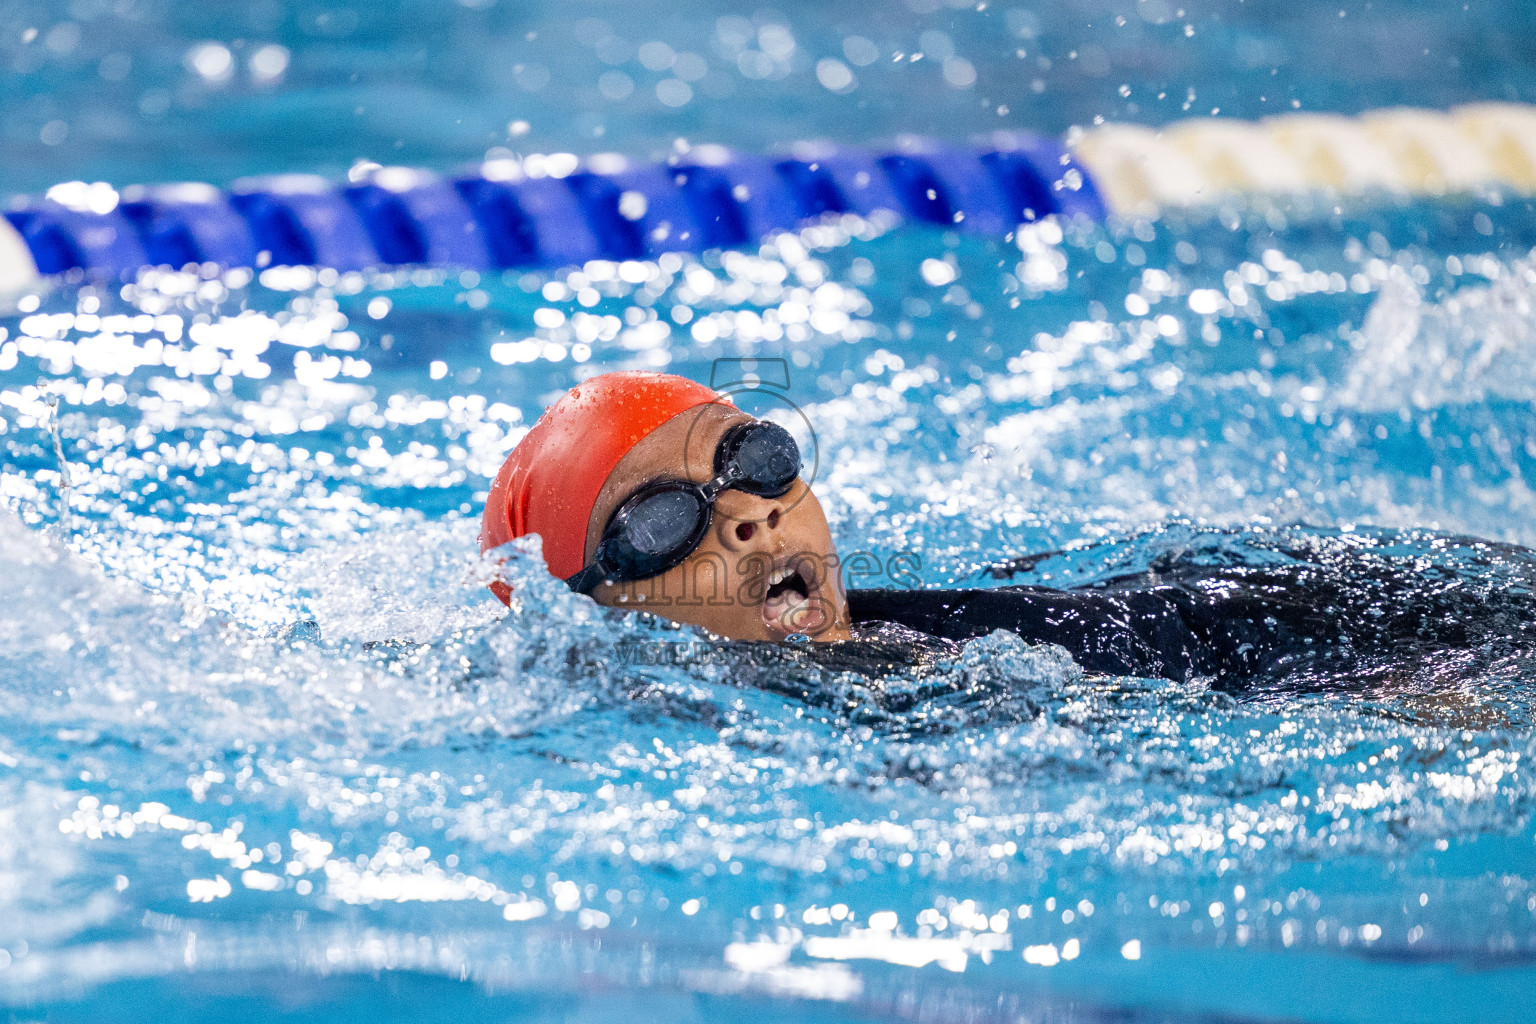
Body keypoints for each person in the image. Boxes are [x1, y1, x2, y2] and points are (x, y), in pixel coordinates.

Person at [482, 371, 1536, 692]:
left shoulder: (894, 644)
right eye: (664, 520)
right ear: (602, 609)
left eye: (751, 458)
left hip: (1341, 597)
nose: (750, 509)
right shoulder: (841, 719)